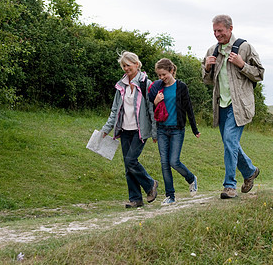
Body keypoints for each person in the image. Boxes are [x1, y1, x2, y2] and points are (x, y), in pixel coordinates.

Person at [202, 15, 264, 199]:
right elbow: (208, 81)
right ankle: (250, 171)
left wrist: (242, 64)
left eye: (220, 30)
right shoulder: (212, 51)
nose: (217, 34)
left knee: (230, 142)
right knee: (231, 144)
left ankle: (229, 186)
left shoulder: (245, 47)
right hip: (221, 106)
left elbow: (259, 74)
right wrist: (206, 68)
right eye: (214, 31)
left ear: (230, 29)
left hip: (239, 106)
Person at [101, 51, 159, 208]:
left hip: (140, 130)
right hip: (124, 130)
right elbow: (115, 110)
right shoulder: (121, 85)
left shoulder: (146, 84)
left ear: (137, 64)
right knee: (128, 166)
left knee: (131, 161)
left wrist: (154, 132)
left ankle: (150, 184)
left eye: (128, 65)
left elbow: (151, 109)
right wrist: (106, 129)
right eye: (123, 66)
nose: (126, 68)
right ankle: (135, 199)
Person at [148, 58, 200, 206]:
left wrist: (195, 129)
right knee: (164, 163)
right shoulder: (158, 87)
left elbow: (188, 108)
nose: (161, 78)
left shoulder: (181, 87)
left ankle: (191, 179)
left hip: (177, 129)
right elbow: (151, 106)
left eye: (164, 74)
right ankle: (170, 196)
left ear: (171, 71)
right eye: (159, 75)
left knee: (174, 161)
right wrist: (156, 101)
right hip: (162, 129)